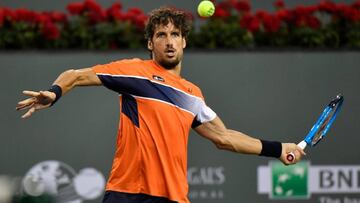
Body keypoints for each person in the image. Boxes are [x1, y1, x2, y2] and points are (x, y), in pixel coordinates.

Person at [16, 7, 305, 203]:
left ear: (184, 43)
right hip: (126, 194)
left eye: (175, 35)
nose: (169, 42)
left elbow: (224, 137)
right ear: (150, 44)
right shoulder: (133, 72)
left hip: (172, 197)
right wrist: (54, 93)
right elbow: (77, 76)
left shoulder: (192, 94)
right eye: (161, 35)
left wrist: (277, 149)